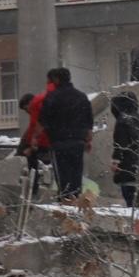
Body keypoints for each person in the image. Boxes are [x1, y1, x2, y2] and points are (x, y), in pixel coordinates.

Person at [38, 68, 94, 201]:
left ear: (56, 79)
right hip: (78, 143)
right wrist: (87, 139)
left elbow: (43, 120)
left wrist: (41, 138)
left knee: (63, 178)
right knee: (76, 175)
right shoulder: (81, 96)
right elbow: (89, 120)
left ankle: (65, 203)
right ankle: (76, 202)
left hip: (59, 143)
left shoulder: (51, 97)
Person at [110, 91, 139, 208]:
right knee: (138, 198)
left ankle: (137, 223)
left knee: (131, 199)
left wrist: (116, 162)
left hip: (128, 168)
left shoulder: (122, 121)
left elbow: (120, 144)